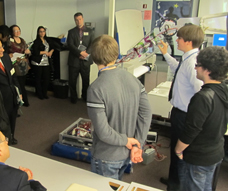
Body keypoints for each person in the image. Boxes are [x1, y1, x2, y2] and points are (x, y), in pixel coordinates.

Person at [87, 35, 152, 180]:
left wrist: (126, 141)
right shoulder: (133, 80)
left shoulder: (95, 88)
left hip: (106, 156)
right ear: (116, 55)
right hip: (127, 154)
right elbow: (146, 114)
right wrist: (137, 144)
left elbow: (103, 132)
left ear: (94, 57)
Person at [158, 24, 204, 191]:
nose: (176, 40)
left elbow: (201, 92)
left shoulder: (193, 63)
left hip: (185, 116)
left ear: (189, 41)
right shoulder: (187, 58)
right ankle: (173, 180)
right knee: (174, 150)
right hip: (180, 113)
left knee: (180, 152)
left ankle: (177, 186)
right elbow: (177, 69)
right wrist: (166, 54)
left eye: (179, 38)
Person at [175, 46, 228, 191]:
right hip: (216, 152)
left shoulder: (202, 98)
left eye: (198, 65)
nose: (195, 68)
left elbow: (191, 130)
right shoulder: (224, 90)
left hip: (198, 157)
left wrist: (178, 150)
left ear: (208, 70)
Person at [0, 37, 21, 145]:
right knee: (2, 121)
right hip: (0, 97)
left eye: (2, 46)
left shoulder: (5, 57)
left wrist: (18, 92)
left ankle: (11, 136)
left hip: (12, 93)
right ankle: (2, 140)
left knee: (12, 117)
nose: (2, 50)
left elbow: (13, 74)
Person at [67, 12, 94, 103]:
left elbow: (92, 44)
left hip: (86, 60)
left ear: (83, 19)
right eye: (76, 20)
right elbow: (70, 45)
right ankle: (73, 98)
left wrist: (86, 53)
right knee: (72, 80)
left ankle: (85, 97)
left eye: (80, 19)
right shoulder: (71, 32)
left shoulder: (90, 31)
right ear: (74, 21)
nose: (78, 21)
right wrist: (80, 53)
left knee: (86, 80)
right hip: (74, 60)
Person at [6, 25, 31, 106]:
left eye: (19, 30)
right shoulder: (9, 41)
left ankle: (23, 100)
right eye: (15, 30)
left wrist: (28, 52)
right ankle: (21, 101)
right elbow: (7, 52)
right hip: (15, 65)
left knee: (22, 83)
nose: (18, 32)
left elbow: (26, 53)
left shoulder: (22, 40)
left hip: (23, 65)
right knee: (17, 84)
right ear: (12, 32)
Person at [30, 26, 54, 100]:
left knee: (46, 79)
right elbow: (36, 52)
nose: (42, 33)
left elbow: (53, 47)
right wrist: (44, 52)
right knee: (38, 79)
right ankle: (39, 94)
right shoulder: (36, 42)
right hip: (38, 62)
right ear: (38, 32)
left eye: (43, 31)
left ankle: (44, 93)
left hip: (46, 62)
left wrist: (50, 52)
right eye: (40, 31)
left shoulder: (47, 40)